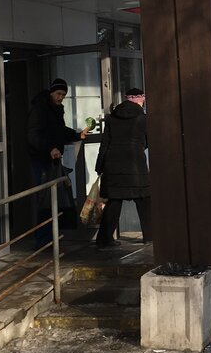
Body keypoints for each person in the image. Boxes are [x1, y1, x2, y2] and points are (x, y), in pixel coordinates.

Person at [27, 78, 87, 248]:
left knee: (51, 199)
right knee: (45, 199)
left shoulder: (56, 110)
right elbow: (33, 136)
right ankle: (43, 239)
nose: (61, 97)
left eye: (63, 95)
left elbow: (59, 130)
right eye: (58, 93)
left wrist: (77, 135)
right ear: (52, 92)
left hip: (52, 159)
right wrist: (50, 148)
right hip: (42, 160)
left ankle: (49, 236)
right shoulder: (40, 109)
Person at [94, 87, 151, 250]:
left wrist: (99, 166)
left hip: (113, 164)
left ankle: (104, 240)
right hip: (135, 163)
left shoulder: (112, 118)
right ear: (140, 100)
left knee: (114, 200)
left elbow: (105, 143)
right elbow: (148, 141)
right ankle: (150, 237)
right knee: (144, 200)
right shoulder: (143, 118)